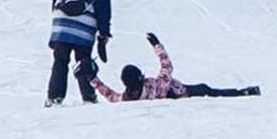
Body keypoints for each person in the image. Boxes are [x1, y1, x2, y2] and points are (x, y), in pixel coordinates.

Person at [81, 32, 260, 102]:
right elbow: (167, 67)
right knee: (208, 90)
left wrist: (92, 79)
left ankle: (244, 92)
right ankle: (244, 92)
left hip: (175, 94)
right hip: (184, 92)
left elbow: (110, 95)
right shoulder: (153, 86)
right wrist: (157, 45)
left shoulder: (128, 98)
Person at [45, 0, 112, 107]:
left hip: (61, 26)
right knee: (84, 61)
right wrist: (104, 33)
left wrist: (57, 22)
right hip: (84, 29)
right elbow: (103, 9)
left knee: (60, 61)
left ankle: (54, 98)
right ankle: (88, 97)